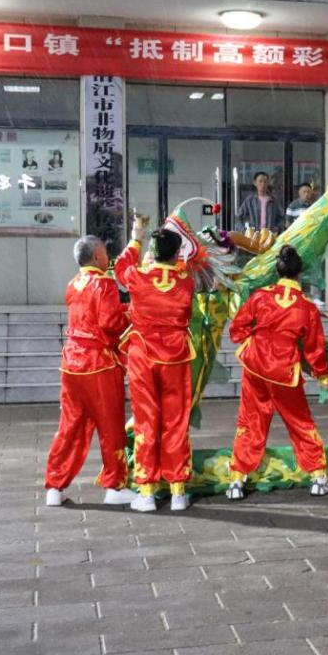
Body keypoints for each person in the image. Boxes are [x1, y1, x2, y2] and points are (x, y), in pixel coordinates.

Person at [225, 246, 328, 500]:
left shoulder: (261, 296)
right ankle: (318, 478)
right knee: (299, 422)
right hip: (284, 370)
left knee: (250, 421)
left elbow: (238, 327)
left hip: (255, 365)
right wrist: (323, 375)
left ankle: (237, 481)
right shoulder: (307, 307)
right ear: (300, 274)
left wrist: (250, 343)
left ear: (278, 271)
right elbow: (315, 349)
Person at [43, 235, 134, 507]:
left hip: (72, 363)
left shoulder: (73, 284)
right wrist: (133, 312)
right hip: (98, 364)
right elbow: (110, 323)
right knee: (110, 426)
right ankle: (115, 485)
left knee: (70, 426)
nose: (108, 256)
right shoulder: (104, 283)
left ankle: (55, 485)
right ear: (97, 256)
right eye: (105, 252)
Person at [115, 218, 196, 511]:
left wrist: (136, 238)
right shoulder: (186, 281)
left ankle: (147, 491)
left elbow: (121, 268)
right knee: (176, 421)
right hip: (176, 355)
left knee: (146, 420)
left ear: (153, 251)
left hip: (143, 355)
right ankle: (178, 491)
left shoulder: (138, 277)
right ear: (176, 254)